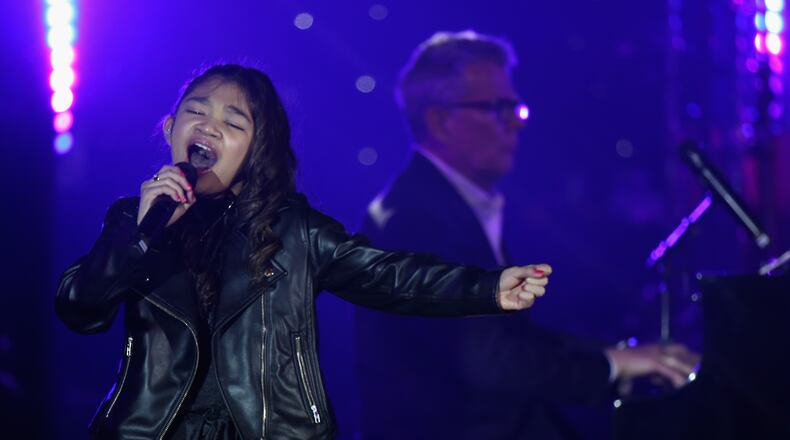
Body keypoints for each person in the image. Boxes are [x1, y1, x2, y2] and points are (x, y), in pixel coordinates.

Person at [54, 64, 555, 440]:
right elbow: (79, 308)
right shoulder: (134, 219)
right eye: (196, 111)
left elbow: (388, 275)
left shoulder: (292, 230)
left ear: (253, 151)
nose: (208, 126)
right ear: (170, 129)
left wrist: (487, 287)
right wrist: (140, 236)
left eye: (233, 122)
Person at [354, 31, 700, 440]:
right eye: (496, 108)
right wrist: (611, 366)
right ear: (440, 120)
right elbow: (487, 358)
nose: (515, 124)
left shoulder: (446, 203)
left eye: (515, 107)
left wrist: (616, 358)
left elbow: (510, 338)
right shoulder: (414, 218)